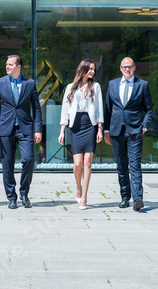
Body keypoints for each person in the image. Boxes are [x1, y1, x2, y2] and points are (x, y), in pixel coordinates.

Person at [0, 55, 42, 209]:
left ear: (19, 67)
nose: (7, 67)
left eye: (10, 64)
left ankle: (24, 192)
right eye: (6, 64)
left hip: (25, 129)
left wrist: (38, 129)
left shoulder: (30, 84)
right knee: (7, 164)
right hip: (5, 129)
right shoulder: (0, 83)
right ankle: (11, 197)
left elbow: (37, 108)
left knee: (28, 159)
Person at [104, 57, 152, 211]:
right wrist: (106, 130)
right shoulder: (112, 85)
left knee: (135, 165)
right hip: (117, 131)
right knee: (121, 166)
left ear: (134, 67)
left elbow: (149, 109)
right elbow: (108, 109)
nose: (127, 69)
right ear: (120, 68)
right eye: (124, 67)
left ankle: (138, 199)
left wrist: (144, 126)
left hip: (135, 131)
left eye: (130, 67)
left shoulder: (143, 85)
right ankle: (125, 197)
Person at [58, 59, 103, 210]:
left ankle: (84, 198)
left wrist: (100, 129)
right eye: (90, 69)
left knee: (88, 162)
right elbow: (65, 109)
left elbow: (99, 109)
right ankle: (78, 187)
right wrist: (62, 130)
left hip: (89, 124)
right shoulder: (71, 87)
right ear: (83, 69)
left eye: (94, 69)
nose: (92, 72)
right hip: (75, 126)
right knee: (77, 164)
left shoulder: (96, 86)